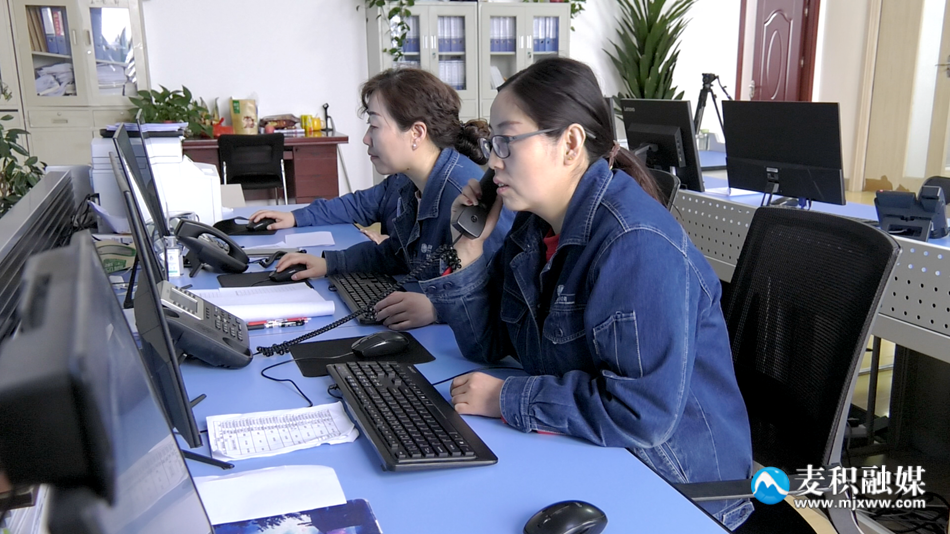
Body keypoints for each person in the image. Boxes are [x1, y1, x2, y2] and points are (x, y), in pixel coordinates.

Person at [418, 57, 753, 530]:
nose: (492, 161)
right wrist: (468, 248)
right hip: (599, 453)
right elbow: (487, 344)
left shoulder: (635, 244)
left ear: (571, 144)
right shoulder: (534, 230)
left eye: (507, 141)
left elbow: (641, 414)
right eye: (494, 144)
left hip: (678, 486)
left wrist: (509, 399)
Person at [263, 68, 513, 330]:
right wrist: (330, 263)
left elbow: (506, 288)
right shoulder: (409, 182)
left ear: (416, 133)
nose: (365, 138)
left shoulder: (463, 193)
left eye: (374, 125)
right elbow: (397, 254)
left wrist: (437, 308)